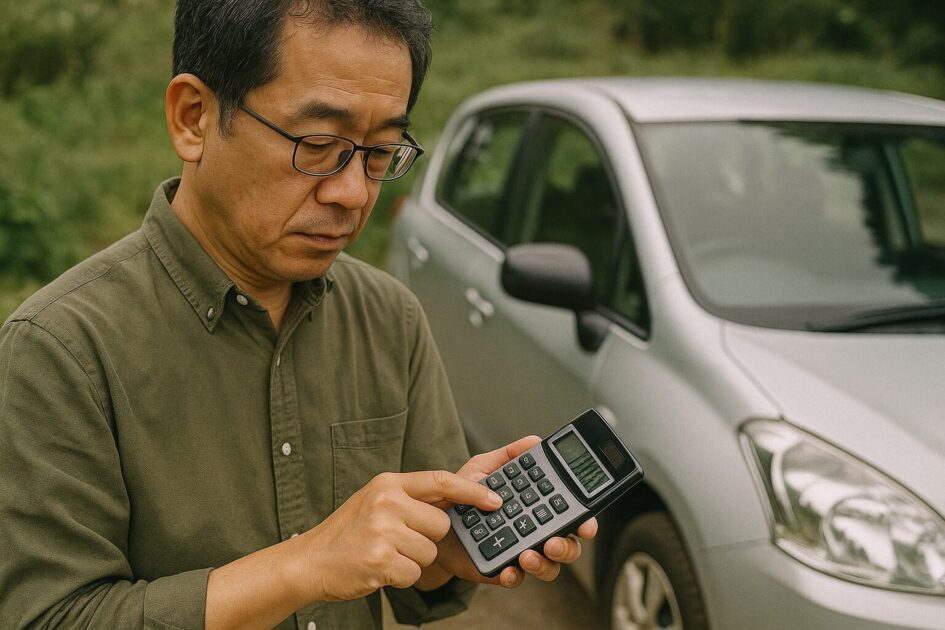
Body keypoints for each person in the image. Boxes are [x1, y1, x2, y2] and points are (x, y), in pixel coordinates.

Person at [0, 1, 597, 628]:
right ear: (194, 118)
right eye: (317, 145)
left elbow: (418, 570)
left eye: (379, 152)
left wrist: (445, 550)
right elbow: (49, 616)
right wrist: (305, 565)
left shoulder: (389, 318)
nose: (353, 192)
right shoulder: (59, 350)